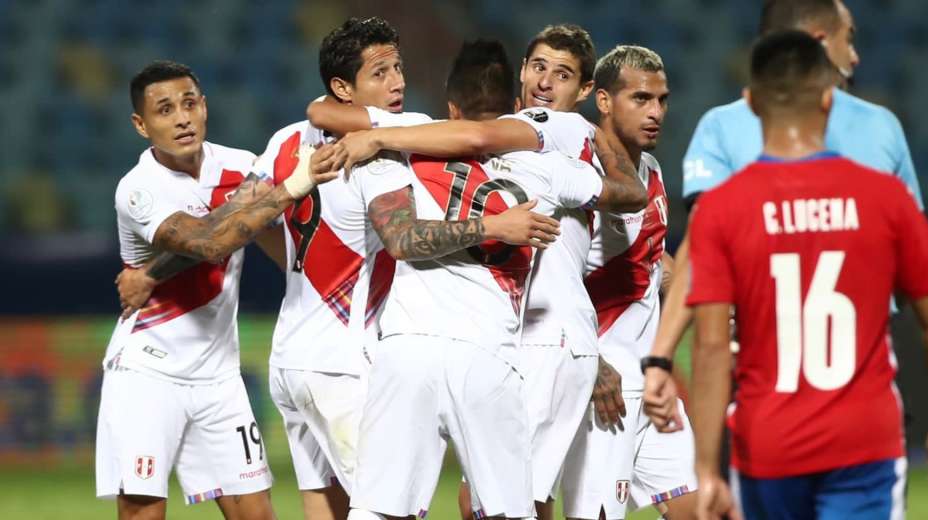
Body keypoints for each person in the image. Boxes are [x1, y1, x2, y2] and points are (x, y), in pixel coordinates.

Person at [114, 20, 557, 520]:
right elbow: (407, 233)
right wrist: (495, 223)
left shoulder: (284, 143)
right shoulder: (381, 143)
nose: (397, 83)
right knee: (394, 511)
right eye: (380, 72)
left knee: (326, 507)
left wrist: (153, 270)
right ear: (344, 89)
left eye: (398, 68)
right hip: (345, 364)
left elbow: (233, 224)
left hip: (292, 362)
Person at [345, 39, 644, 520]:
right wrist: (594, 132)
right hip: (487, 355)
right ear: (514, 108)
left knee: (379, 511)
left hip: (406, 349)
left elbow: (400, 237)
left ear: (451, 108)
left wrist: (382, 134)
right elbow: (632, 193)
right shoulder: (552, 167)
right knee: (511, 510)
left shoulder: (398, 150)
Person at [685, 31, 928, 520]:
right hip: (864, 441)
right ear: (828, 100)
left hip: (765, 444)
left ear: (750, 103)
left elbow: (711, 348)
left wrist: (707, 469)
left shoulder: (720, 210)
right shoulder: (885, 198)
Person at [646, 0, 925, 436]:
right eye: (847, 38)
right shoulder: (725, 126)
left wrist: (662, 356)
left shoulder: (881, 125)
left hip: (857, 363)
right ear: (817, 40)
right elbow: (704, 247)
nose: (855, 56)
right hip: (769, 361)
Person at [98, 60, 344, 520]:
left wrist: (151, 273)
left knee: (257, 514)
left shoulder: (241, 166)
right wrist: (295, 182)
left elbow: (277, 245)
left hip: (220, 379)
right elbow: (207, 241)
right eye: (165, 110)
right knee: (143, 513)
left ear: (205, 106)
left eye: (189, 103)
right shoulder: (137, 189)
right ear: (140, 124)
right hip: (148, 373)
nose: (182, 118)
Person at [560, 45, 697, 520]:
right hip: (605, 385)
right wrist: (592, 364)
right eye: (640, 99)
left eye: (661, 100)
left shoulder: (653, 173)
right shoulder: (581, 177)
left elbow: (654, 260)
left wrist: (711, 297)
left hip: (650, 384)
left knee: (701, 508)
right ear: (602, 100)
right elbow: (550, 279)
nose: (655, 112)